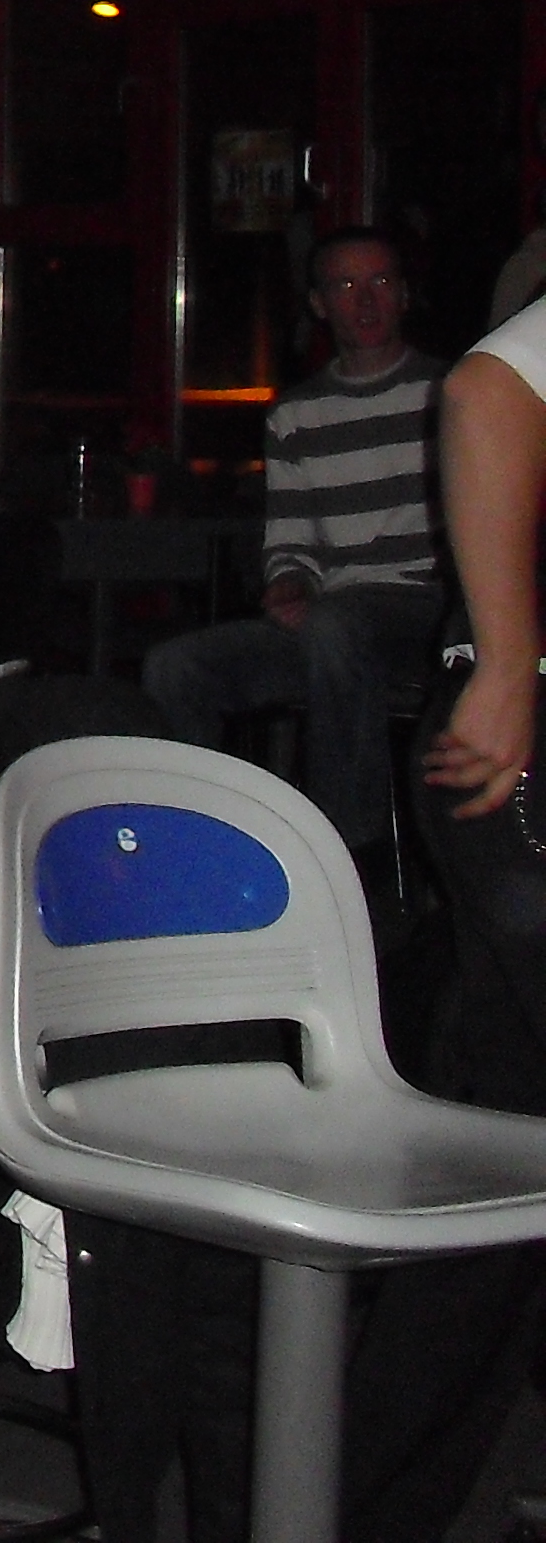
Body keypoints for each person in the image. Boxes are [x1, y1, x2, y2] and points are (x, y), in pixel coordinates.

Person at [333, 283, 546, 1538]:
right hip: (521, 737)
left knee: (505, 1156)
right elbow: (487, 390)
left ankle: (371, 1501)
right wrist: (510, 663)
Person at [141, 228, 445, 850]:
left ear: (405, 295)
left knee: (336, 626)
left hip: (424, 611)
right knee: (176, 667)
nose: (365, 301)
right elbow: (291, 534)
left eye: (381, 282)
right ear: (319, 304)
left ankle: (340, 852)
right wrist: (287, 582)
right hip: (333, 618)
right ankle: (207, 846)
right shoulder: (296, 414)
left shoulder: (449, 395)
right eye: (346, 285)